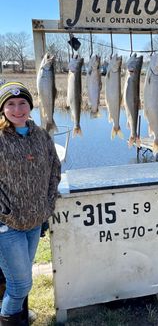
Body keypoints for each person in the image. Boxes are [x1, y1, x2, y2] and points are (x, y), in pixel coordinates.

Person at [0, 81, 61, 325]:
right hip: (7, 225)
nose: (17, 109)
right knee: (20, 284)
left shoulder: (41, 135)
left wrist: (47, 207)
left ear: (30, 106)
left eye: (22, 103)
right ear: (2, 109)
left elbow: (55, 170)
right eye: (10, 104)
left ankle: (20, 316)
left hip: (35, 222)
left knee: (19, 279)